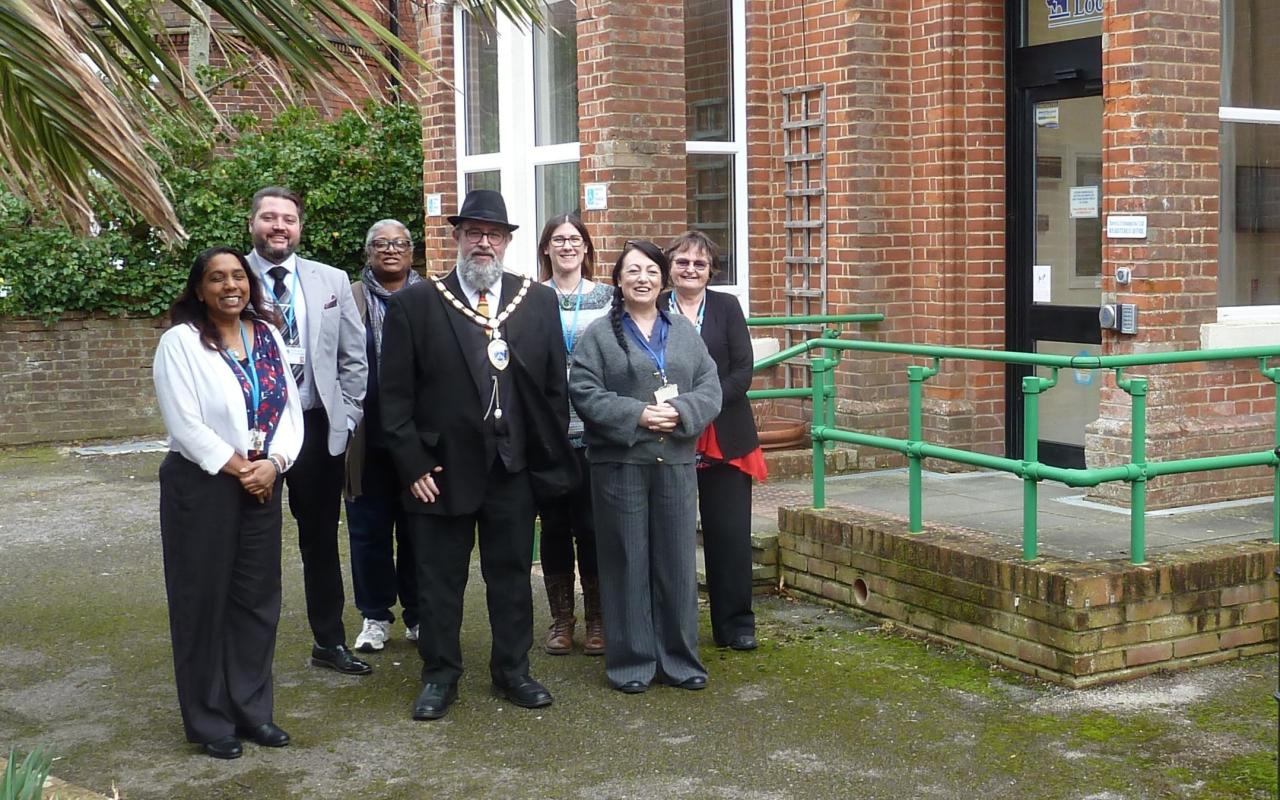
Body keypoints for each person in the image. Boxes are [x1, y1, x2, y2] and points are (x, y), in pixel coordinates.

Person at [379, 189, 577, 721]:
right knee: (439, 580)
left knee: (511, 576)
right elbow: (392, 398)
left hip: (512, 469)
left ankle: (513, 670)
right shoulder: (417, 303)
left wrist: (540, 459)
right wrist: (412, 465)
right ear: (457, 238)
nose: (484, 242)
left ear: (507, 241)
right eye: (473, 232)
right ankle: (439, 675)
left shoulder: (536, 301)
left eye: (494, 234)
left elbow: (554, 392)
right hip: (439, 472)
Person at [153, 246, 303, 759]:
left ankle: (252, 710)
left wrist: (274, 463)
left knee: (256, 602)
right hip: (204, 485)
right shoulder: (180, 342)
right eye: (217, 278)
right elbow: (184, 424)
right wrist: (243, 469)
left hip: (263, 481)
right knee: (202, 602)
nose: (230, 286)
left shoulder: (268, 335)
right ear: (199, 290)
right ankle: (209, 719)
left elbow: (289, 411)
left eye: (238, 275)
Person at [568, 239, 722, 694]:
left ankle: (679, 660)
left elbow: (710, 386)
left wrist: (681, 411)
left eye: (652, 271)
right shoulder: (599, 334)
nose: (643, 278)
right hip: (620, 464)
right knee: (626, 561)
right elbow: (584, 391)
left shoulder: (684, 332)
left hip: (674, 461)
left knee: (677, 563)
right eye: (633, 271)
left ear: (663, 279)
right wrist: (637, 414)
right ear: (618, 280)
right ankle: (631, 663)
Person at [245, 186, 372, 676]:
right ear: (252, 224)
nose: (279, 226)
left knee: (319, 540)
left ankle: (329, 641)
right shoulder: (230, 276)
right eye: (269, 217)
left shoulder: (331, 280)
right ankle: (247, 646)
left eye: (289, 219)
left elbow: (353, 355)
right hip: (254, 431)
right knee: (252, 540)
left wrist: (349, 414)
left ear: (299, 227)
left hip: (317, 427)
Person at [663, 231, 766, 651]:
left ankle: (735, 625)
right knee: (670, 537)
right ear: (670, 267)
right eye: (682, 262)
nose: (690, 269)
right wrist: (678, 413)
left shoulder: (727, 307)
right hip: (667, 435)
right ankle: (674, 629)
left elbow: (743, 370)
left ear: (711, 271)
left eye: (699, 264)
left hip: (724, 435)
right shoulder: (654, 307)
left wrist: (701, 405)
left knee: (729, 534)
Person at [535, 214, 613, 656]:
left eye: (574, 239)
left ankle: (598, 619)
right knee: (554, 528)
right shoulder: (531, 298)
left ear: (586, 248)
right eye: (558, 240)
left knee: (592, 528)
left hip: (595, 432)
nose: (567, 246)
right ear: (546, 248)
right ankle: (562, 621)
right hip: (549, 434)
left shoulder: (607, 298)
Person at [345, 219, 423, 653]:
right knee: (367, 530)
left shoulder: (432, 296)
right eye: (381, 244)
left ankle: (418, 615)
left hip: (417, 436)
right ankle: (374, 615)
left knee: (418, 529)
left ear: (411, 251)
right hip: (366, 436)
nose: (391, 250)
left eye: (400, 243)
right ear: (368, 252)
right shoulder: (349, 298)